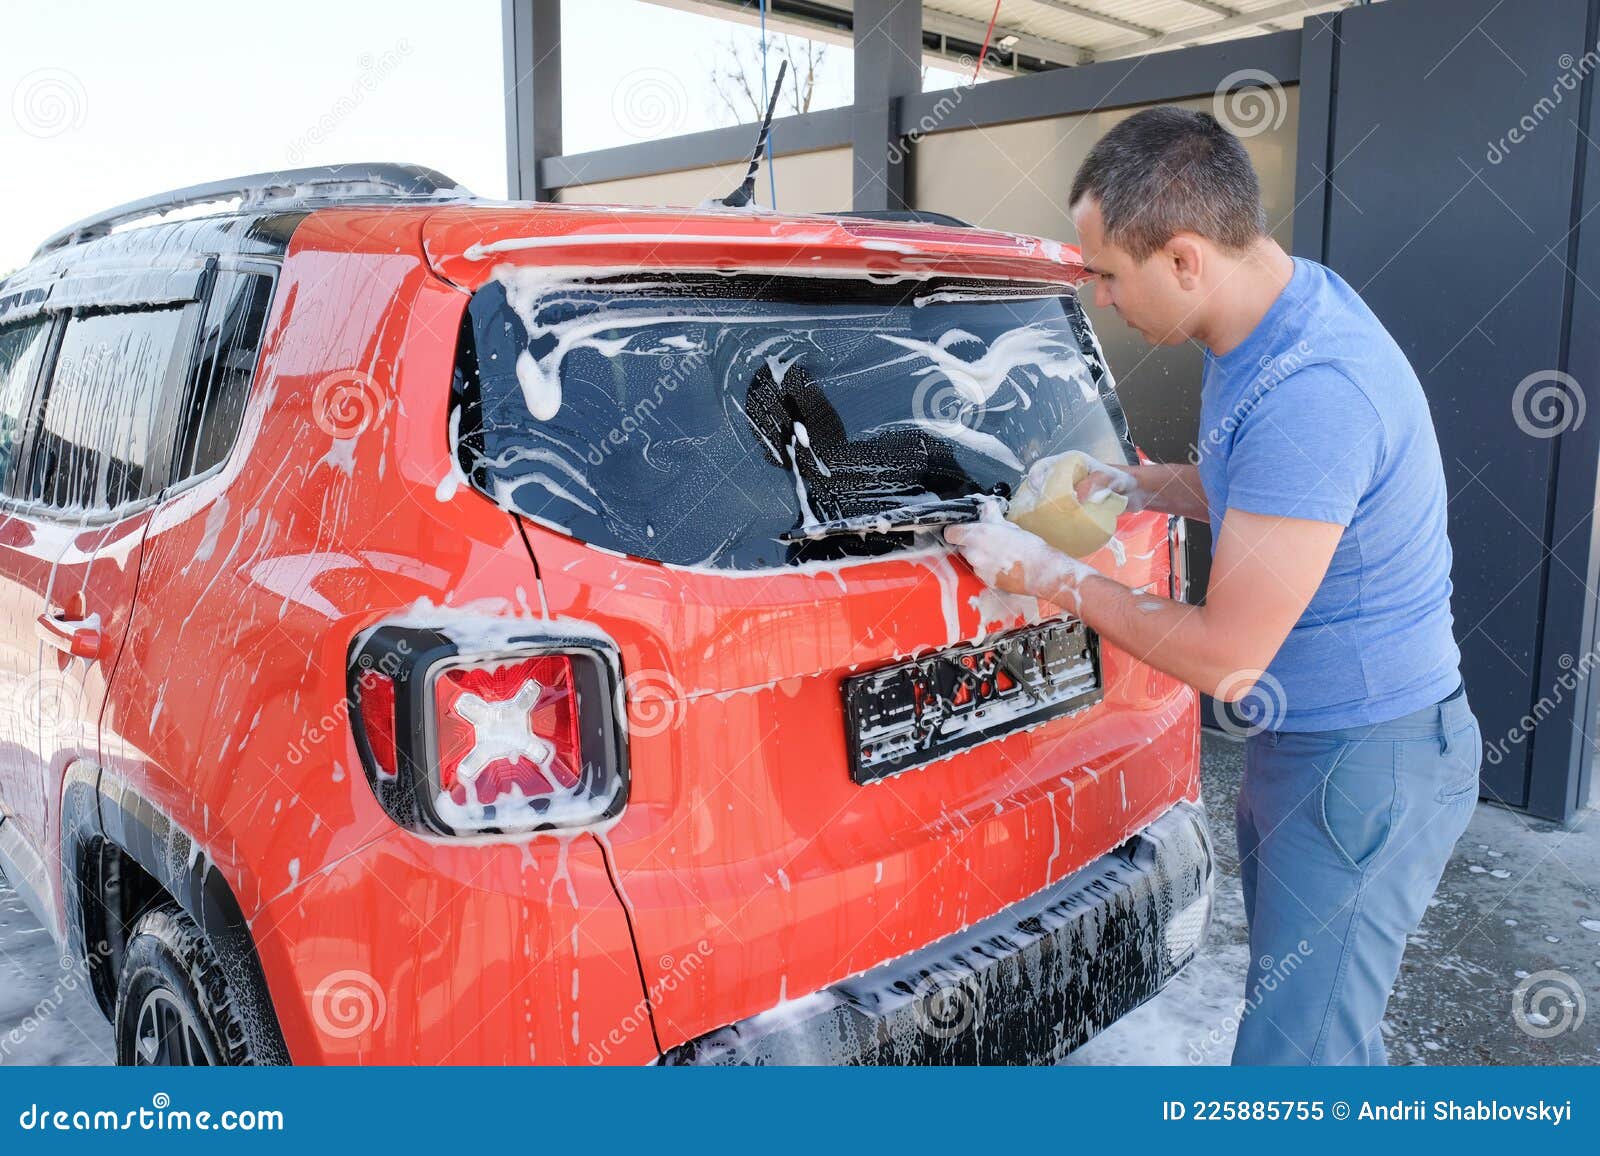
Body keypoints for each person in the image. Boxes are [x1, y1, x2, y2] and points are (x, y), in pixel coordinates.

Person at [944, 106, 1481, 1066]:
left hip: (1364, 764)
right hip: (1317, 745)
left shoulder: (1315, 387)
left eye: (1107, 273)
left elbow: (1227, 661)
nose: (1100, 299)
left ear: (1185, 258)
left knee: (1295, 1065)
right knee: (1318, 1028)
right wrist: (1143, 482)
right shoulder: (1275, 313)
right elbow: (1280, 497)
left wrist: (1049, 576)